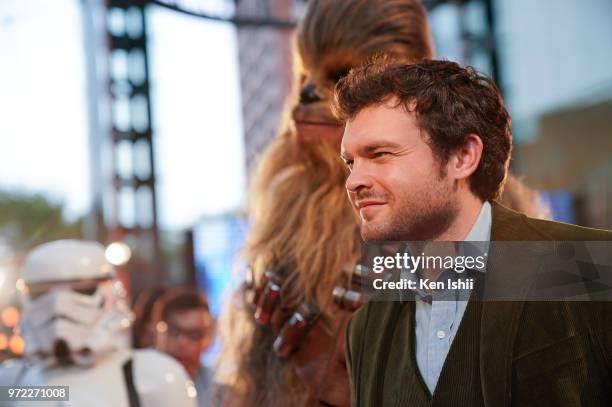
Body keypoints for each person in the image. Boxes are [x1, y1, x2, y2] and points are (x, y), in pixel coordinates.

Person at [334, 59, 612, 406]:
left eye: (380, 154)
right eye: (351, 162)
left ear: (463, 157)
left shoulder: (596, 269)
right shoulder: (364, 333)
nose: (353, 181)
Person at [0, 239, 197, 407]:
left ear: (111, 293)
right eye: (41, 293)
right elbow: (60, 392)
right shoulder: (15, 381)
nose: (58, 306)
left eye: (82, 290)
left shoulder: (152, 377)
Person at [153, 287, 214, 407]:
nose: (182, 342)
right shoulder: (135, 379)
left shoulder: (218, 390)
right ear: (157, 331)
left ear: (207, 340)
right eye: (174, 331)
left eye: (193, 335)